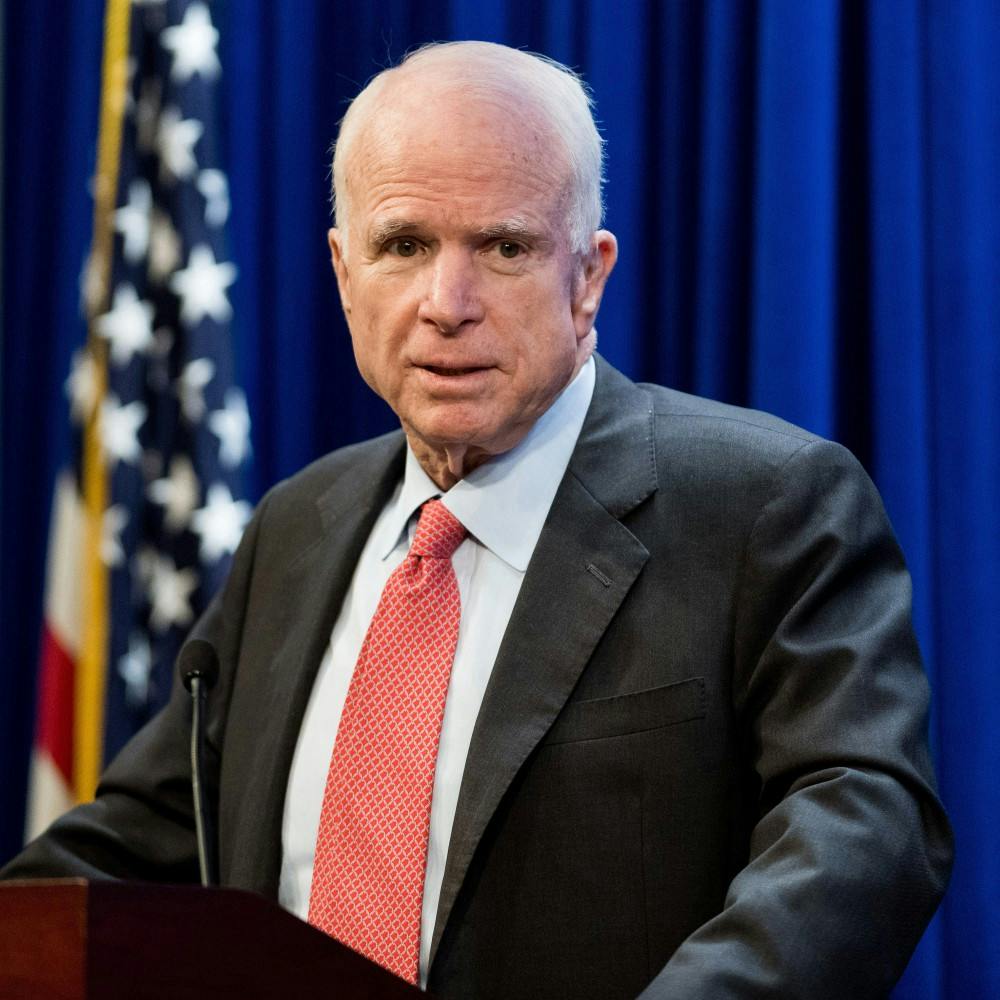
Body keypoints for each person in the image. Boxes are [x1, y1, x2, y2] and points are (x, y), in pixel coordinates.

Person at [2, 41, 951, 998]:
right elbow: (133, 854)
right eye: (405, 245)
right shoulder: (298, 528)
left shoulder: (765, 505)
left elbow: (865, 829)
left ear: (587, 277)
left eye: (504, 248)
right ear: (343, 271)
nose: (446, 305)